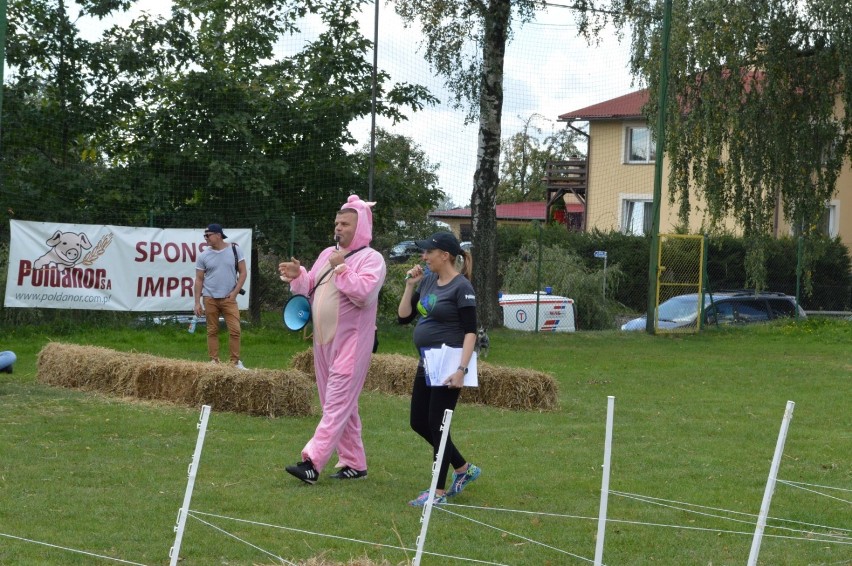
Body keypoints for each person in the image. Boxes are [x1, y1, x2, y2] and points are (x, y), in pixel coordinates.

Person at [278, 195, 387, 484]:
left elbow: (364, 294)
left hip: (351, 345)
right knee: (337, 405)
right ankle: (354, 463)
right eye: (337, 223)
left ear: (360, 226)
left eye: (345, 223)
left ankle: (311, 462)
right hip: (323, 343)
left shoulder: (372, 259)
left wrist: (341, 268)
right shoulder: (328, 253)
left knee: (337, 402)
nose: (339, 228)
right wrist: (297, 275)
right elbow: (309, 287)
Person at [397, 232, 481, 507]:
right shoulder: (430, 280)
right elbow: (404, 317)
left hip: (448, 364)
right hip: (427, 362)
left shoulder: (462, 287)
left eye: (428, 252)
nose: (424, 257)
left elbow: (471, 333)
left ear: (444, 255)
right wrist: (411, 286)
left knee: (437, 424)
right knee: (418, 422)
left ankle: (438, 492)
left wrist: (461, 370)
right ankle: (463, 468)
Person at [193, 223, 248, 369]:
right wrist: (197, 302)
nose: (206, 238)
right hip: (209, 298)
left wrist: (234, 293)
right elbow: (199, 279)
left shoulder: (235, 250)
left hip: (229, 299)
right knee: (212, 330)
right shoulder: (203, 255)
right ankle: (214, 362)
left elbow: (243, 272)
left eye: (208, 235)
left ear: (218, 235)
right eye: (205, 235)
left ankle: (235, 363)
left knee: (235, 330)